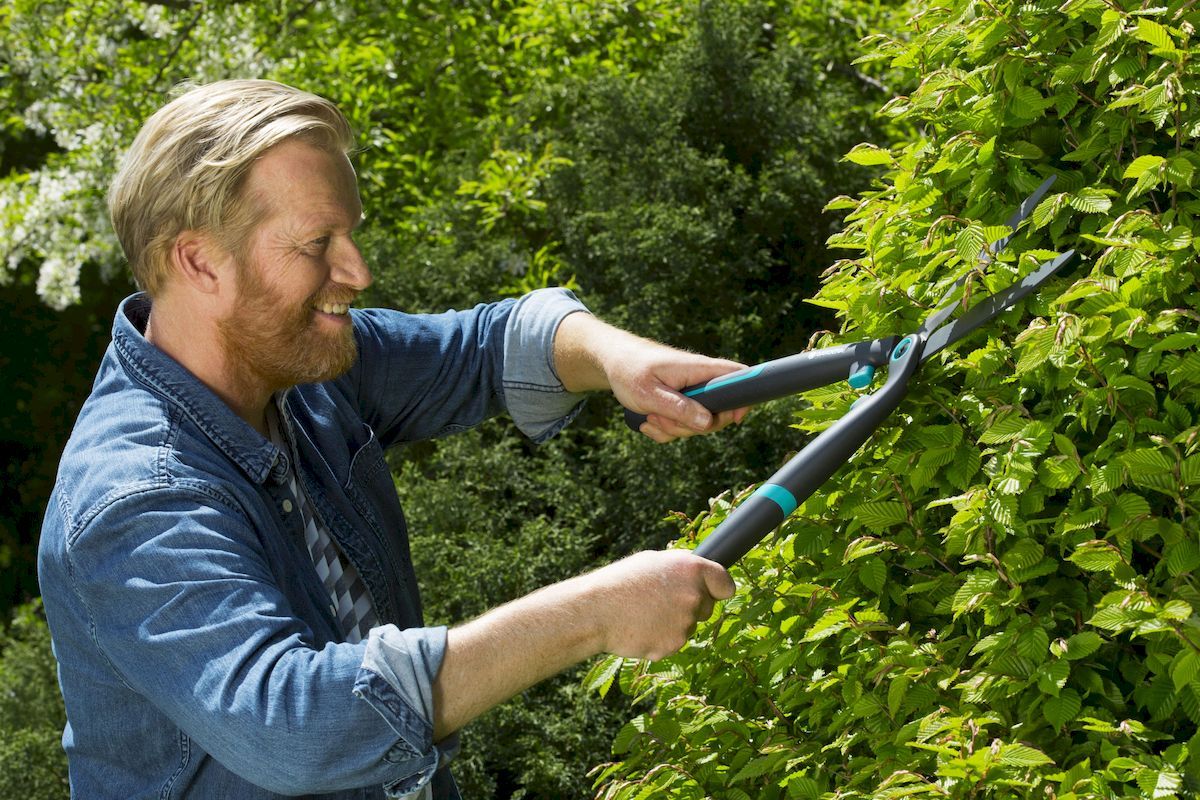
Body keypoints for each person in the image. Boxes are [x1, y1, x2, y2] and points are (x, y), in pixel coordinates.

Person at [37, 79, 748, 799]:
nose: (357, 272)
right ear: (198, 262)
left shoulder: (296, 364)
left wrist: (621, 361)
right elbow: (295, 723)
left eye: (349, 234)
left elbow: (487, 346)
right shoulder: (138, 497)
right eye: (318, 243)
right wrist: (593, 615)